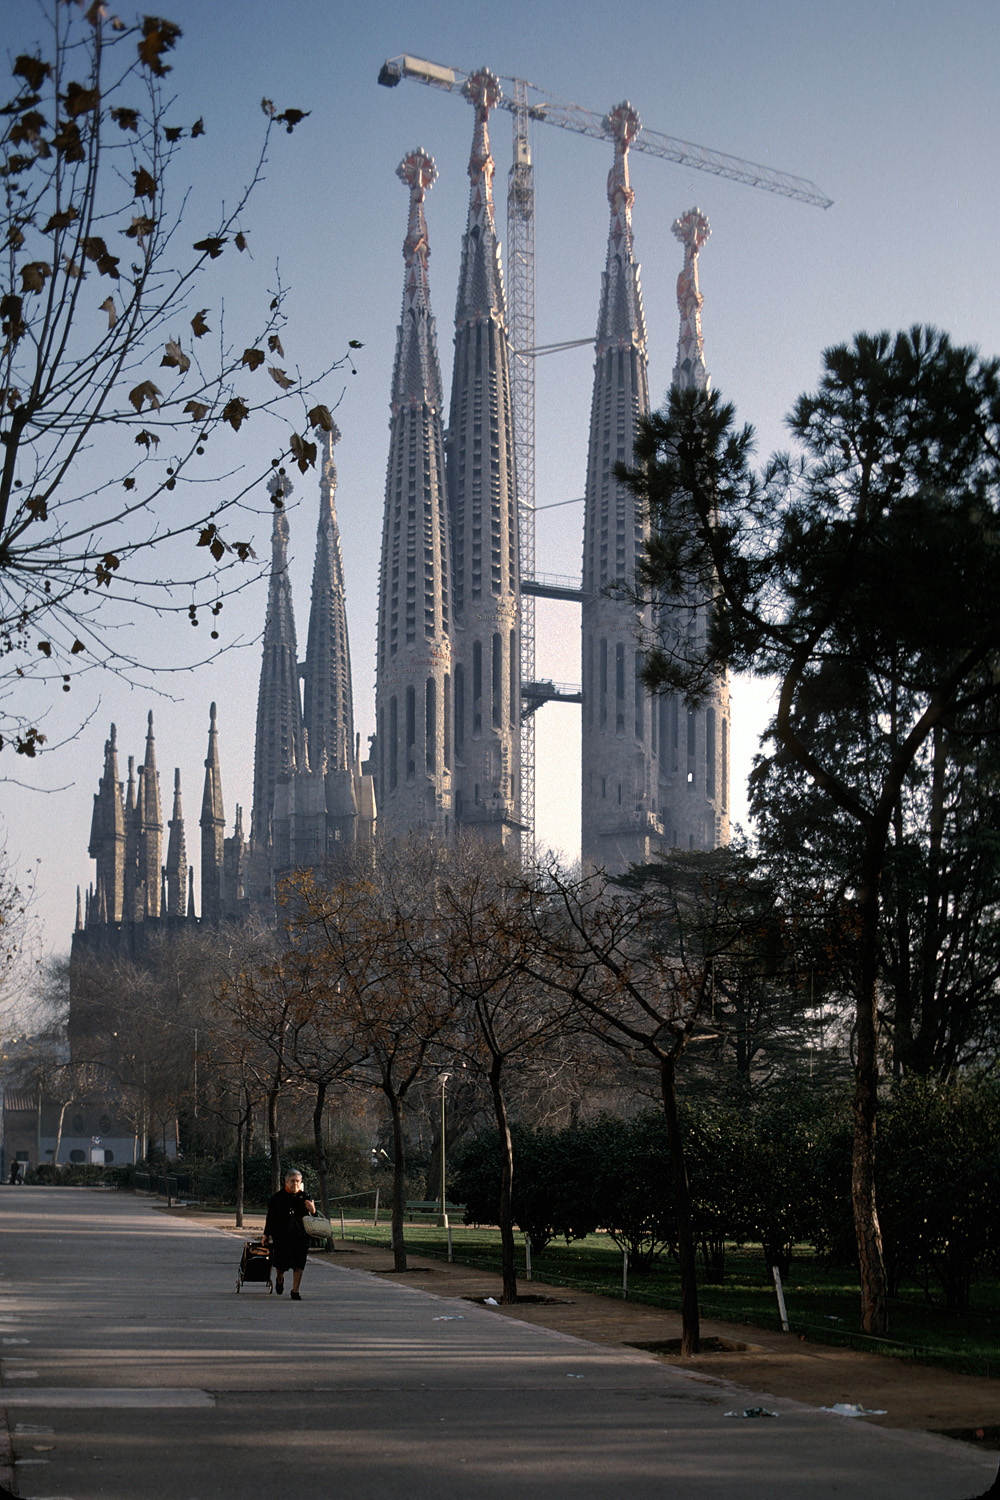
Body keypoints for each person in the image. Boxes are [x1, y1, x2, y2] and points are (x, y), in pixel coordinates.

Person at [262, 1169, 315, 1299]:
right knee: (280, 1265)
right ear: (286, 1182)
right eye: (292, 1181)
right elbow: (270, 1218)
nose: (295, 1184)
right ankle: (280, 1279)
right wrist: (266, 1235)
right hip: (282, 1236)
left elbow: (313, 1218)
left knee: (299, 1264)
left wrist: (313, 1210)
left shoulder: (305, 1197)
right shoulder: (277, 1198)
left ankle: (295, 1291)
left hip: (300, 1237)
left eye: (297, 1181)